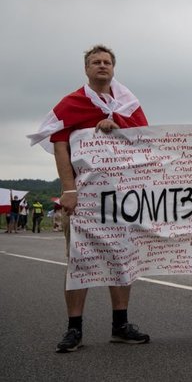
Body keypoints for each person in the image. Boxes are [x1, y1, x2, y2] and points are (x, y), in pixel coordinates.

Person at [28, 44, 150, 352]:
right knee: (79, 261)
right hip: (84, 199)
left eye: (107, 61)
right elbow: (59, 145)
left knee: (121, 260)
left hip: (123, 198)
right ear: (86, 69)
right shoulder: (73, 103)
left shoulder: (129, 105)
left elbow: (144, 139)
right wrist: (69, 189)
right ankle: (74, 329)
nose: (102, 65)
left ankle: (120, 326)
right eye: (95, 61)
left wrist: (116, 124)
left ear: (113, 68)